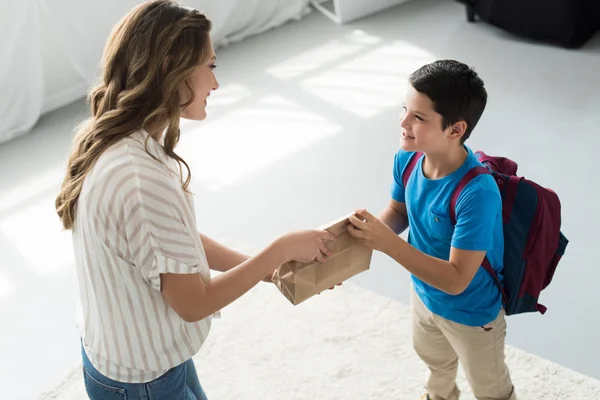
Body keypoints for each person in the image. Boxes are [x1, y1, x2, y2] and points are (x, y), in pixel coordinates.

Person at [54, 1, 336, 399]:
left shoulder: (119, 141)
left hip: (139, 352)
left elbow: (172, 247)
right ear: (173, 68)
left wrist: (269, 270)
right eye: (211, 66)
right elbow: (194, 303)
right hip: (142, 379)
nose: (216, 84)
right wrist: (279, 250)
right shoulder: (142, 180)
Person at [347, 60, 517, 400]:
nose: (403, 123)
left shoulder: (477, 193)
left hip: (472, 314)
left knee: (490, 389)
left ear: (455, 130)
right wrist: (359, 240)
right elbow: (398, 212)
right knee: (436, 363)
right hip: (424, 296)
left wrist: (388, 245)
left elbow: (456, 279)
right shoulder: (408, 158)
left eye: (418, 118)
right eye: (405, 110)